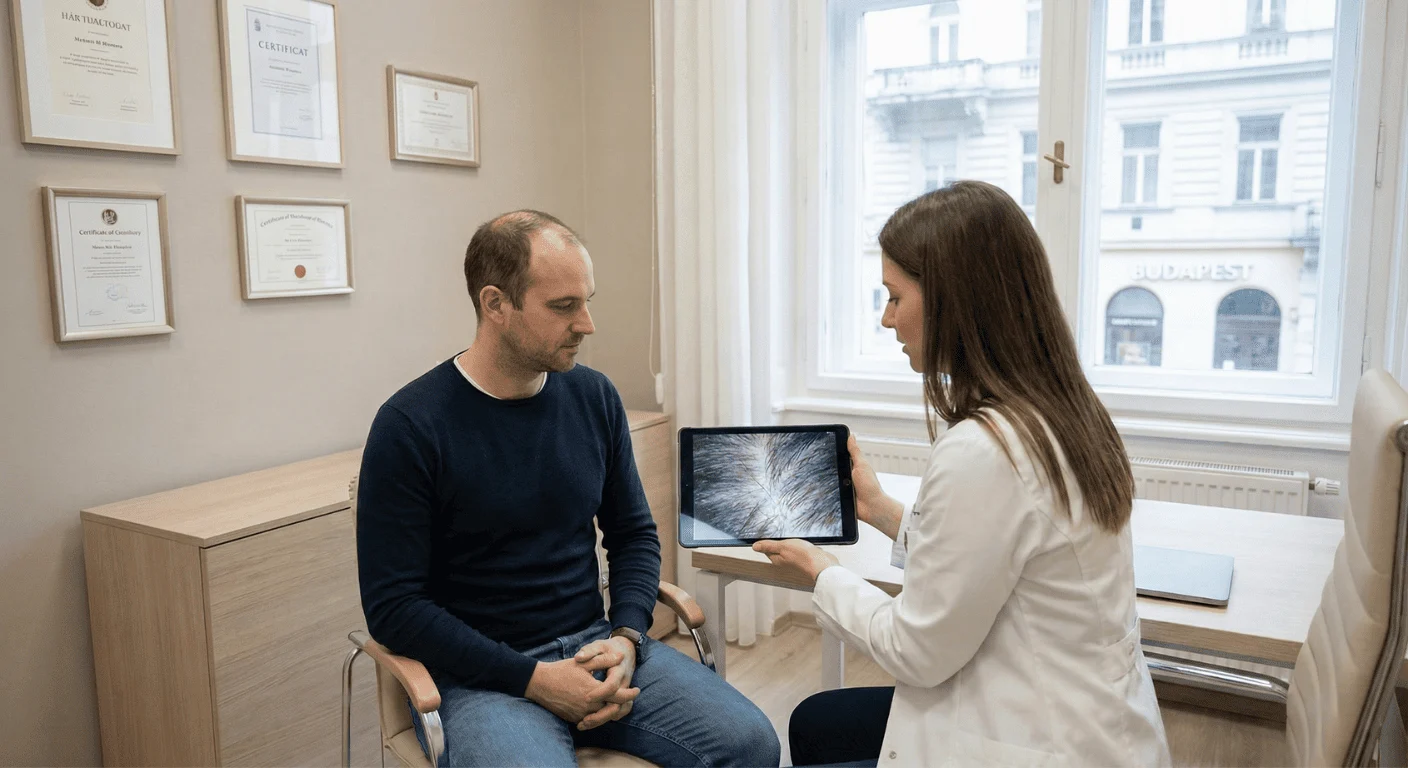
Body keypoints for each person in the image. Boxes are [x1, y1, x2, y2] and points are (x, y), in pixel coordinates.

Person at [756, 182, 1172, 767]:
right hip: (1089, 719)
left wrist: (819, 571)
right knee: (818, 724)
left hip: (1033, 739)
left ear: (956, 300)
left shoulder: (986, 449)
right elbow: (992, 559)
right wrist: (877, 508)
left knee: (818, 727)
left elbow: (915, 651)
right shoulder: (1062, 410)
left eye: (895, 297)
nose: (886, 318)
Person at [357, 210, 780, 768]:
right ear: (495, 305)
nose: (587, 323)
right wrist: (534, 679)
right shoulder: (410, 426)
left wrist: (628, 635)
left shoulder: (593, 397)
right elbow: (395, 609)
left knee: (753, 744)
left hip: (597, 646)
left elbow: (633, 535)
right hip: (482, 679)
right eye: (563, 307)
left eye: (587, 300)